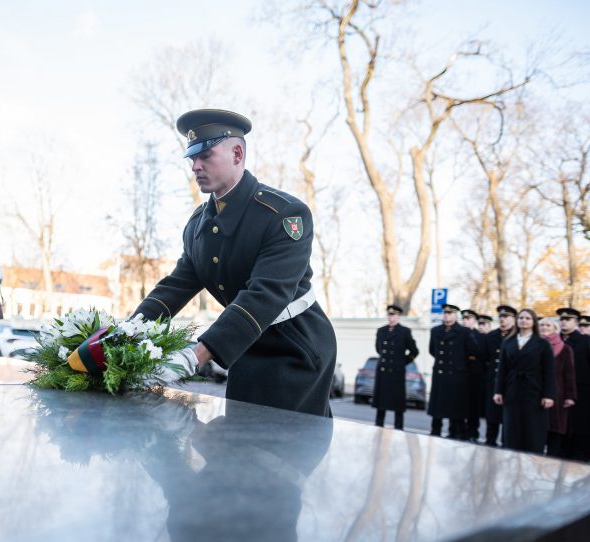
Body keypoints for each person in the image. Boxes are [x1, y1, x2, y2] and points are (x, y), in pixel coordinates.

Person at [131, 109, 337, 415]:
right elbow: (174, 287)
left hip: (293, 349)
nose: (195, 166)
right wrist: (126, 335)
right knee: (237, 449)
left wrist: (194, 356)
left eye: (205, 156)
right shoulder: (199, 224)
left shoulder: (284, 214)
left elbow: (265, 294)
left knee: (281, 453)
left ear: (237, 153)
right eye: (191, 159)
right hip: (244, 347)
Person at [493, 309, 556, 454]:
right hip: (512, 390)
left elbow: (549, 372)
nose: (524, 321)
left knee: (532, 430)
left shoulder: (542, 344)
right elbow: (502, 369)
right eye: (521, 318)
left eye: (528, 318)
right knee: (511, 429)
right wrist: (498, 391)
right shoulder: (508, 342)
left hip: (534, 391)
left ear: (533, 322)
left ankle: (532, 462)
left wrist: (549, 395)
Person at [427, 304, 477, 438]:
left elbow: (473, 351)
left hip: (457, 376)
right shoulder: (435, 331)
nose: (447, 315)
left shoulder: (464, 332)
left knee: (456, 410)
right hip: (440, 373)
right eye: (445, 313)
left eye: (450, 313)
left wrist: (460, 364)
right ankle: (435, 431)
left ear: (456, 315)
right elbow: (433, 350)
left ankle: (455, 433)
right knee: (438, 408)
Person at [372, 304, 419, 429]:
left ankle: (399, 429)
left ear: (398, 316)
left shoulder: (405, 332)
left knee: (398, 405)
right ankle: (378, 427)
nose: (391, 318)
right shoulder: (381, 331)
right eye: (389, 315)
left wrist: (402, 362)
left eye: (393, 315)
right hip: (383, 372)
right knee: (381, 405)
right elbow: (378, 349)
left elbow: (414, 351)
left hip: (396, 373)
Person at [538, 317, 576, 458]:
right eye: (541, 325)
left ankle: (551, 460)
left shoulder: (565, 349)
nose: (544, 327)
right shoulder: (532, 344)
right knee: (537, 429)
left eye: (548, 325)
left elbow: (569, 374)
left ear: (555, 328)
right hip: (534, 392)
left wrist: (570, 396)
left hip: (557, 394)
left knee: (555, 428)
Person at [482, 305, 517, 446]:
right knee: (492, 413)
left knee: (507, 414)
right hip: (493, 379)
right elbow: (485, 357)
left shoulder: (517, 336)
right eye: (501, 317)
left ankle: (506, 441)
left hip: (510, 380)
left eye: (506, 317)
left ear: (514, 319)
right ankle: (490, 440)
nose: (503, 320)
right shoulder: (491, 336)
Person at [558, 307, 590, 460]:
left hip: (581, 392)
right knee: (559, 428)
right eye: (562, 319)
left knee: (578, 429)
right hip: (558, 390)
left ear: (576, 323)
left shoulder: (586, 341)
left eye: (568, 319)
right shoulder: (554, 341)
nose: (563, 322)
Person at [461, 308, 485, 442]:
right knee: (459, 404)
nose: (465, 321)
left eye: (468, 319)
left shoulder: (480, 336)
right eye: (463, 319)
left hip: (475, 375)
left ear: (474, 321)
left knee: (473, 406)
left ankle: (473, 432)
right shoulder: (458, 334)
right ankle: (459, 430)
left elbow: (482, 354)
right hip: (460, 373)